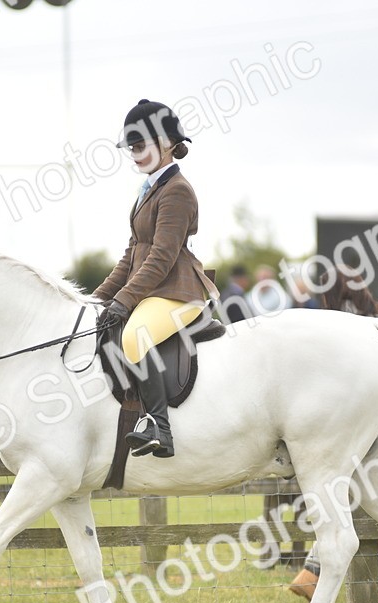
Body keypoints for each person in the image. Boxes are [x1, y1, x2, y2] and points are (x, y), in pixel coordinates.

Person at [93, 99, 218, 459]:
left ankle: (158, 426)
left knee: (136, 335)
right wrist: (97, 299)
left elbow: (161, 257)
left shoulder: (177, 190)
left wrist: (125, 301)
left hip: (175, 290)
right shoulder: (148, 190)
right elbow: (132, 255)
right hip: (152, 289)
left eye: (140, 145)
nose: (134, 153)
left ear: (165, 143)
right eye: (131, 147)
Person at [288, 264, 378, 602]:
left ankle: (328, 571)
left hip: (330, 423)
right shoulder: (365, 325)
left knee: (345, 499)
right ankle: (319, 571)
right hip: (364, 422)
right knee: (350, 497)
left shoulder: (328, 324)